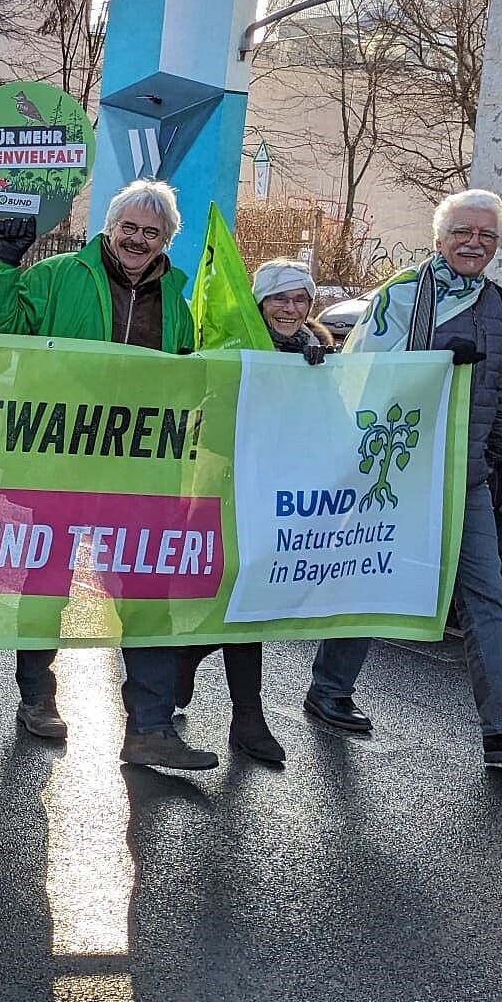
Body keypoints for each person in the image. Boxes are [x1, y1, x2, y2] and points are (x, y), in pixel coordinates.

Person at [306, 190, 502, 765]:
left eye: (486, 235)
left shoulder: (499, 306)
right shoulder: (404, 294)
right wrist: (430, 359)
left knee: (486, 597)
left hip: (466, 475)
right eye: (463, 232)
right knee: (371, 579)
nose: (474, 242)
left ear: (497, 245)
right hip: (397, 468)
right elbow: (359, 374)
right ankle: (330, 690)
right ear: (440, 238)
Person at [0, 178, 214, 770]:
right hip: (58, 461)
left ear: (166, 243)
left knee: (148, 592)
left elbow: (192, 376)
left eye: (150, 233)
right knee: (48, 581)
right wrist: (4, 264)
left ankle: (151, 728)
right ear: (110, 226)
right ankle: (38, 697)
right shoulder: (56, 276)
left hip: (139, 470)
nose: (136, 239)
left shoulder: (176, 300)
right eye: (128, 227)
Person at [171, 258, 332, 767]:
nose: (291, 308)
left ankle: (215, 688)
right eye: (280, 299)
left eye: (300, 299)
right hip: (222, 488)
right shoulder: (231, 348)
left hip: (277, 498)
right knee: (230, 594)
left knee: (251, 601)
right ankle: (241, 712)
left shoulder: (320, 354)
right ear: (259, 304)